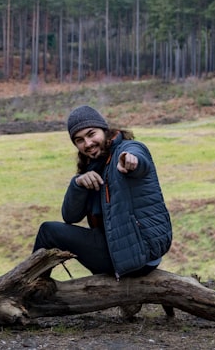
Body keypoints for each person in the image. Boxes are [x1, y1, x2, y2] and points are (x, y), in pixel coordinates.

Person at [33, 105, 172, 280]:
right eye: (79, 140)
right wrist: (78, 184)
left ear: (105, 130)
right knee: (52, 231)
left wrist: (130, 161)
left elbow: (139, 160)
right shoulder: (93, 166)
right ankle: (35, 286)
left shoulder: (127, 149)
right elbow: (70, 216)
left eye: (91, 134)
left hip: (139, 252)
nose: (88, 144)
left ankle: (28, 290)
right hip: (122, 248)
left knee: (48, 232)